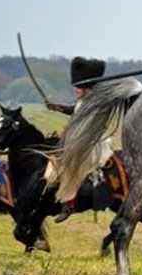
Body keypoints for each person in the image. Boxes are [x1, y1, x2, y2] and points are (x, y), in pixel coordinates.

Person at [46, 57, 112, 222]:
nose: (75, 89)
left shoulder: (98, 101)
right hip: (79, 141)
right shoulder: (82, 101)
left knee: (71, 166)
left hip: (94, 143)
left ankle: (69, 204)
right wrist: (56, 107)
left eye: (78, 86)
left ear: (86, 86)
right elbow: (74, 110)